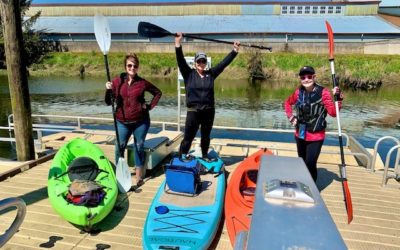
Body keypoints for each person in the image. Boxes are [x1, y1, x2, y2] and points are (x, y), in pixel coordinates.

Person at [175, 32, 240, 160]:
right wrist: (178, 43)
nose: (201, 63)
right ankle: (181, 157)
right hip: (193, 112)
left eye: (203, 61)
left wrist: (234, 51)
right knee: (188, 137)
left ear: (206, 63)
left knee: (205, 136)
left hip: (209, 112)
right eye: (198, 61)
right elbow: (180, 60)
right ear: (195, 63)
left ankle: (204, 156)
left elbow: (223, 64)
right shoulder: (189, 74)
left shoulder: (211, 74)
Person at [105, 53, 162, 187]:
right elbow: (108, 102)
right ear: (125, 67)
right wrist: (108, 90)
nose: (132, 68)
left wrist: (148, 106)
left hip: (140, 122)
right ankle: (120, 173)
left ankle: (138, 176)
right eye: (129, 65)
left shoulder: (142, 83)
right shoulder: (116, 82)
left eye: (135, 66)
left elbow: (158, 93)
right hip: (122, 121)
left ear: (138, 67)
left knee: (139, 147)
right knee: (119, 147)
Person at [284, 66, 343, 182]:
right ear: (300, 79)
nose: (306, 79)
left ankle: (312, 189)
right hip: (300, 134)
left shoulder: (323, 92)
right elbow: (286, 103)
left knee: (310, 163)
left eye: (309, 76)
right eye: (303, 77)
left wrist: (338, 98)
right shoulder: (298, 92)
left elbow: (333, 113)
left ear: (314, 77)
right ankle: (302, 183)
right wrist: (290, 117)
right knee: (301, 162)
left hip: (316, 136)